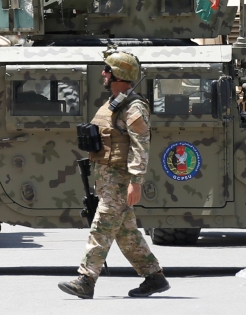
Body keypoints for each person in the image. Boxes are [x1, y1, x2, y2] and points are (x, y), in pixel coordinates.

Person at [58, 50, 170, 299]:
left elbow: (141, 144)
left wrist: (136, 181)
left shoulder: (134, 106)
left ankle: (86, 280)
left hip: (119, 179)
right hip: (107, 177)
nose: (103, 74)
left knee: (102, 227)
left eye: (107, 70)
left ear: (119, 74)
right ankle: (154, 277)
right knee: (126, 233)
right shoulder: (116, 103)